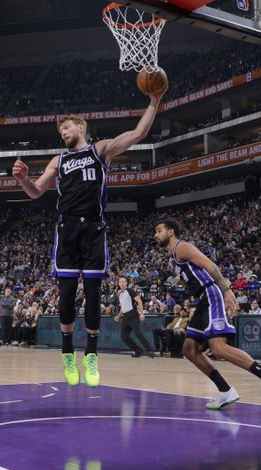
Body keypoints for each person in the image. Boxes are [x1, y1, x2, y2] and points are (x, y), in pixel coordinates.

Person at [12, 76, 168, 387]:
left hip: (94, 229)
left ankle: (92, 355)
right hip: (67, 230)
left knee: (94, 295)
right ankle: (68, 352)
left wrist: (154, 100)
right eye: (60, 131)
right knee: (67, 296)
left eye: (66, 128)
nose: (63, 133)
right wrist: (23, 180)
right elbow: (35, 192)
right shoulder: (59, 160)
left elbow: (139, 133)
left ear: (81, 127)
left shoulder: (101, 151)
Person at [153, 218, 261, 411]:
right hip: (202, 299)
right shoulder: (173, 256)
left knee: (219, 348)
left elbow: (211, 266)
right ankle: (225, 391)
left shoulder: (182, 247)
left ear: (171, 232)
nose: (155, 235)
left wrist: (226, 290)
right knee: (189, 350)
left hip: (211, 294)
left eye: (159, 230)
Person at [113, 277, 155, 358]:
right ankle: (138, 351)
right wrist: (118, 316)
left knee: (137, 332)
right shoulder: (120, 294)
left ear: (126, 283)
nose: (122, 283)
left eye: (123, 281)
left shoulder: (130, 290)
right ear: (118, 283)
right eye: (120, 281)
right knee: (124, 336)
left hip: (133, 315)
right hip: (125, 317)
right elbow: (123, 307)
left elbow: (139, 301)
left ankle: (150, 350)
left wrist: (142, 313)